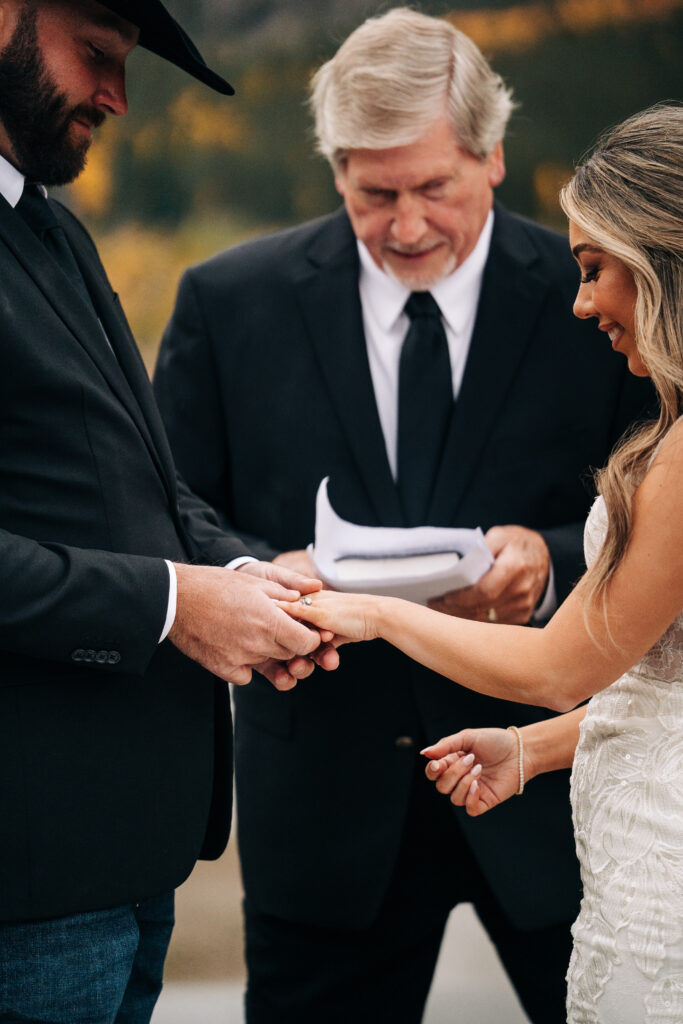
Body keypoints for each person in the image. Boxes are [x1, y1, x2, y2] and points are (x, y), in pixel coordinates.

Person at [153, 9, 652, 1023]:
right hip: (323, 803)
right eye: (373, 194)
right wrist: (257, 576)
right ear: (334, 168)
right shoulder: (225, 300)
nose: (407, 223)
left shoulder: (597, 294)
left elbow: (657, 508)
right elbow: (170, 504)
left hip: (550, 786)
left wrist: (548, 562)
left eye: (433, 187)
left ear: (493, 155)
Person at [282, 104, 683, 1024]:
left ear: (662, 258)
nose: (581, 304)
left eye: (593, 271)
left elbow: (557, 668)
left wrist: (375, 611)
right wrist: (533, 749)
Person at [0, 1, 334, 1021]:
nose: (117, 96)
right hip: (27, 877)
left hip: (122, 861)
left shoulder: (51, 229)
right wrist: (170, 605)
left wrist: (242, 576)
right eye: (98, 56)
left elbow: (137, 479)